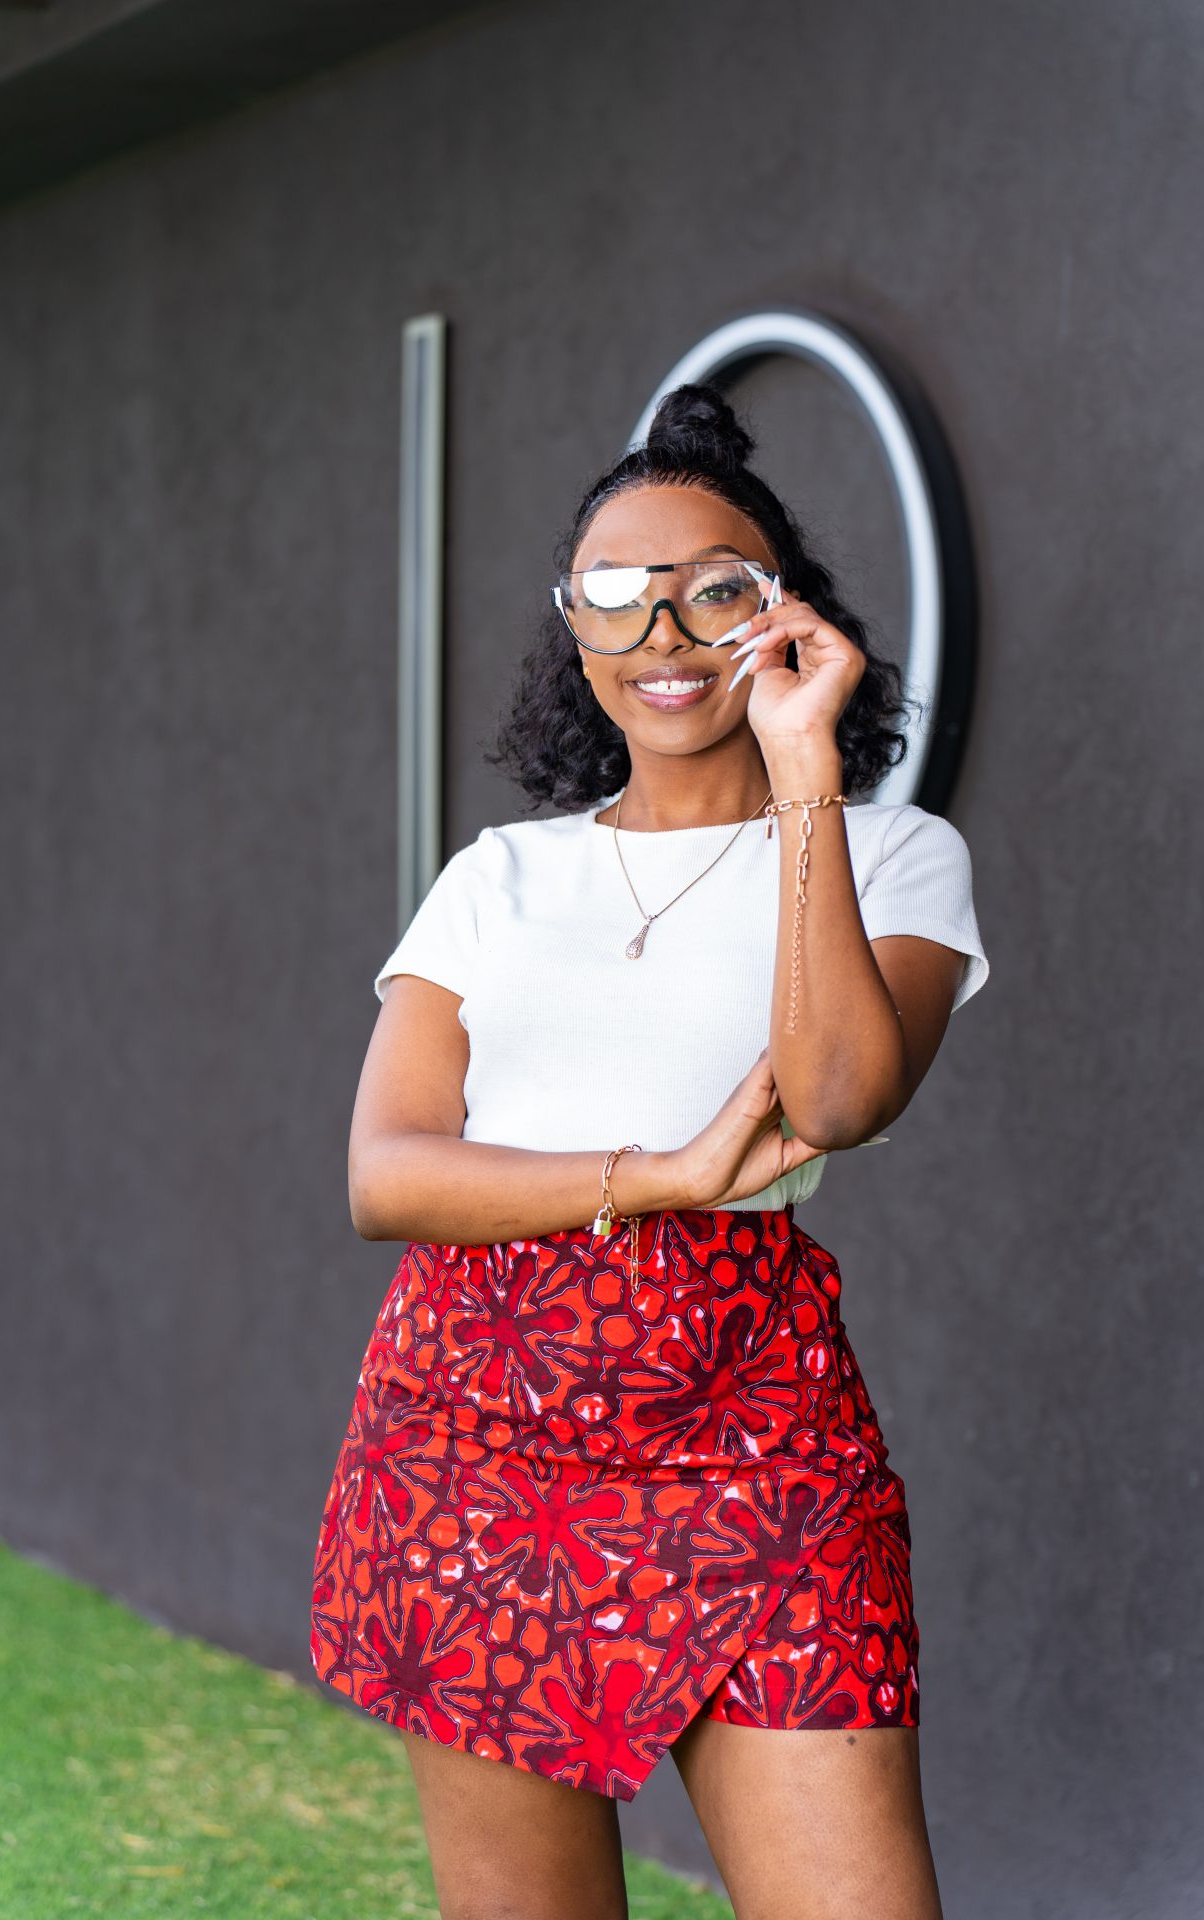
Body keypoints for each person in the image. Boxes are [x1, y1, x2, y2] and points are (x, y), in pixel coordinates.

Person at [310, 382, 989, 1920]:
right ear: (575, 632)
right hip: (476, 1441)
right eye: (617, 601)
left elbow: (834, 1099)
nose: (664, 635)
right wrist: (660, 1178)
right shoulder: (500, 880)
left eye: (714, 595)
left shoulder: (894, 854)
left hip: (759, 1440)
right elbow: (387, 1175)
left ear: (781, 618)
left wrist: (805, 770)